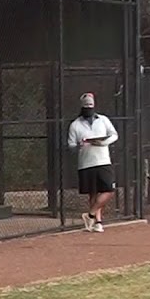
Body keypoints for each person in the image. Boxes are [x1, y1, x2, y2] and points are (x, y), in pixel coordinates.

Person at [66, 92, 119, 233]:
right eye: (86, 106)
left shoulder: (103, 120)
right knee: (93, 193)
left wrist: (103, 142)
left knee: (108, 190)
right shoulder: (75, 125)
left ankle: (90, 214)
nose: (89, 108)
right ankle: (97, 222)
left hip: (103, 160)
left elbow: (114, 135)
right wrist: (79, 145)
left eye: (91, 105)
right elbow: (71, 145)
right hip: (86, 163)